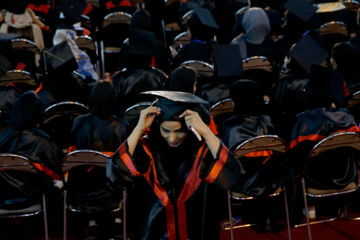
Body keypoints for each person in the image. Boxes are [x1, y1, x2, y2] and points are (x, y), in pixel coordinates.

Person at [107, 90, 243, 239]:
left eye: (179, 131)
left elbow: (232, 173)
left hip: (195, 231)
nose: (172, 138)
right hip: (155, 232)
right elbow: (116, 172)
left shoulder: (200, 151)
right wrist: (139, 128)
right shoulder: (147, 150)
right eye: (165, 130)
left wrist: (205, 130)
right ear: (157, 126)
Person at [69, 81, 131, 240]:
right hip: (114, 189)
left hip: (82, 188)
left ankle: (93, 224)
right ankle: (118, 223)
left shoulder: (79, 122)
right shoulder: (123, 126)